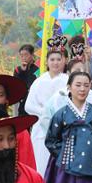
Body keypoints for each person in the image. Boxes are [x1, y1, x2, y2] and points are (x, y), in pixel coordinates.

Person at [25, 41, 68, 175]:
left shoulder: (68, 80)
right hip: (41, 128)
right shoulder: (39, 81)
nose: (55, 63)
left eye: (58, 59)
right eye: (52, 59)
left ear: (64, 61)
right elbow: (28, 106)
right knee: (41, 162)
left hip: (63, 126)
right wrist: (45, 112)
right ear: (47, 62)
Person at [12, 45, 40, 115]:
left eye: (26, 55)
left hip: (34, 102)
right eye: (21, 55)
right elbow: (16, 85)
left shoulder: (37, 69)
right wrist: (22, 71)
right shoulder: (18, 70)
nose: (24, 58)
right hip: (22, 102)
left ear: (32, 55)